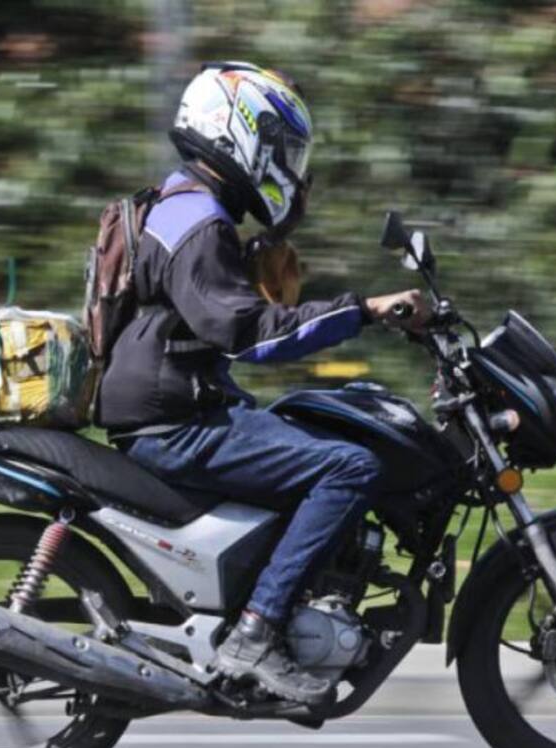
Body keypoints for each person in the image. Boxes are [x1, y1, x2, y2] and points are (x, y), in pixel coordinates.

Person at [98, 62, 430, 705]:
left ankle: (267, 598)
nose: (287, 165)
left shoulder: (183, 205)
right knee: (348, 468)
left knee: (301, 431)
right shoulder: (199, 221)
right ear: (235, 131)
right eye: (278, 146)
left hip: (178, 403)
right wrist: (363, 310)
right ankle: (257, 633)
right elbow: (248, 334)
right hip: (175, 420)